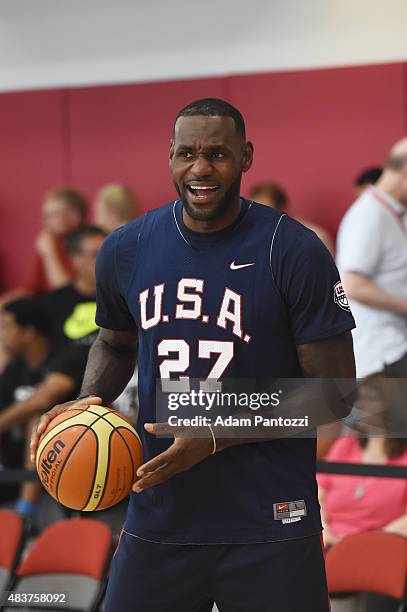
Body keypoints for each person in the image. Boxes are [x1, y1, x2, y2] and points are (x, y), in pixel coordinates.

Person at [31, 98, 356, 612]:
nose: (201, 168)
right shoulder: (126, 248)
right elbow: (116, 340)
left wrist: (214, 434)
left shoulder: (293, 251)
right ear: (170, 156)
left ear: (246, 157)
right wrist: (88, 400)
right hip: (161, 514)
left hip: (269, 519)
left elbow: (336, 393)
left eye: (218, 154)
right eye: (187, 153)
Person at [0, 298, 87, 514]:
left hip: (68, 459)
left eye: (6, 327)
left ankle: (24, 514)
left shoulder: (68, 355)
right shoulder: (16, 367)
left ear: (29, 332)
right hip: (14, 463)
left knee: (38, 418)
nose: (1, 334)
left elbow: (44, 398)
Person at [337, 138, 407, 379]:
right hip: (381, 356)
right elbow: (353, 285)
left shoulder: (392, 212)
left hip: (394, 350)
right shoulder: (369, 214)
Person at [41, 225, 106, 348]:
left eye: (107, 252)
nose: (104, 260)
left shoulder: (123, 296)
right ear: (75, 260)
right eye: (95, 254)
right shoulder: (55, 302)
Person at [250, 180, 335, 255]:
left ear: (282, 209)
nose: (260, 216)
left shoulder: (314, 238)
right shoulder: (251, 240)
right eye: (255, 210)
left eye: (266, 210)